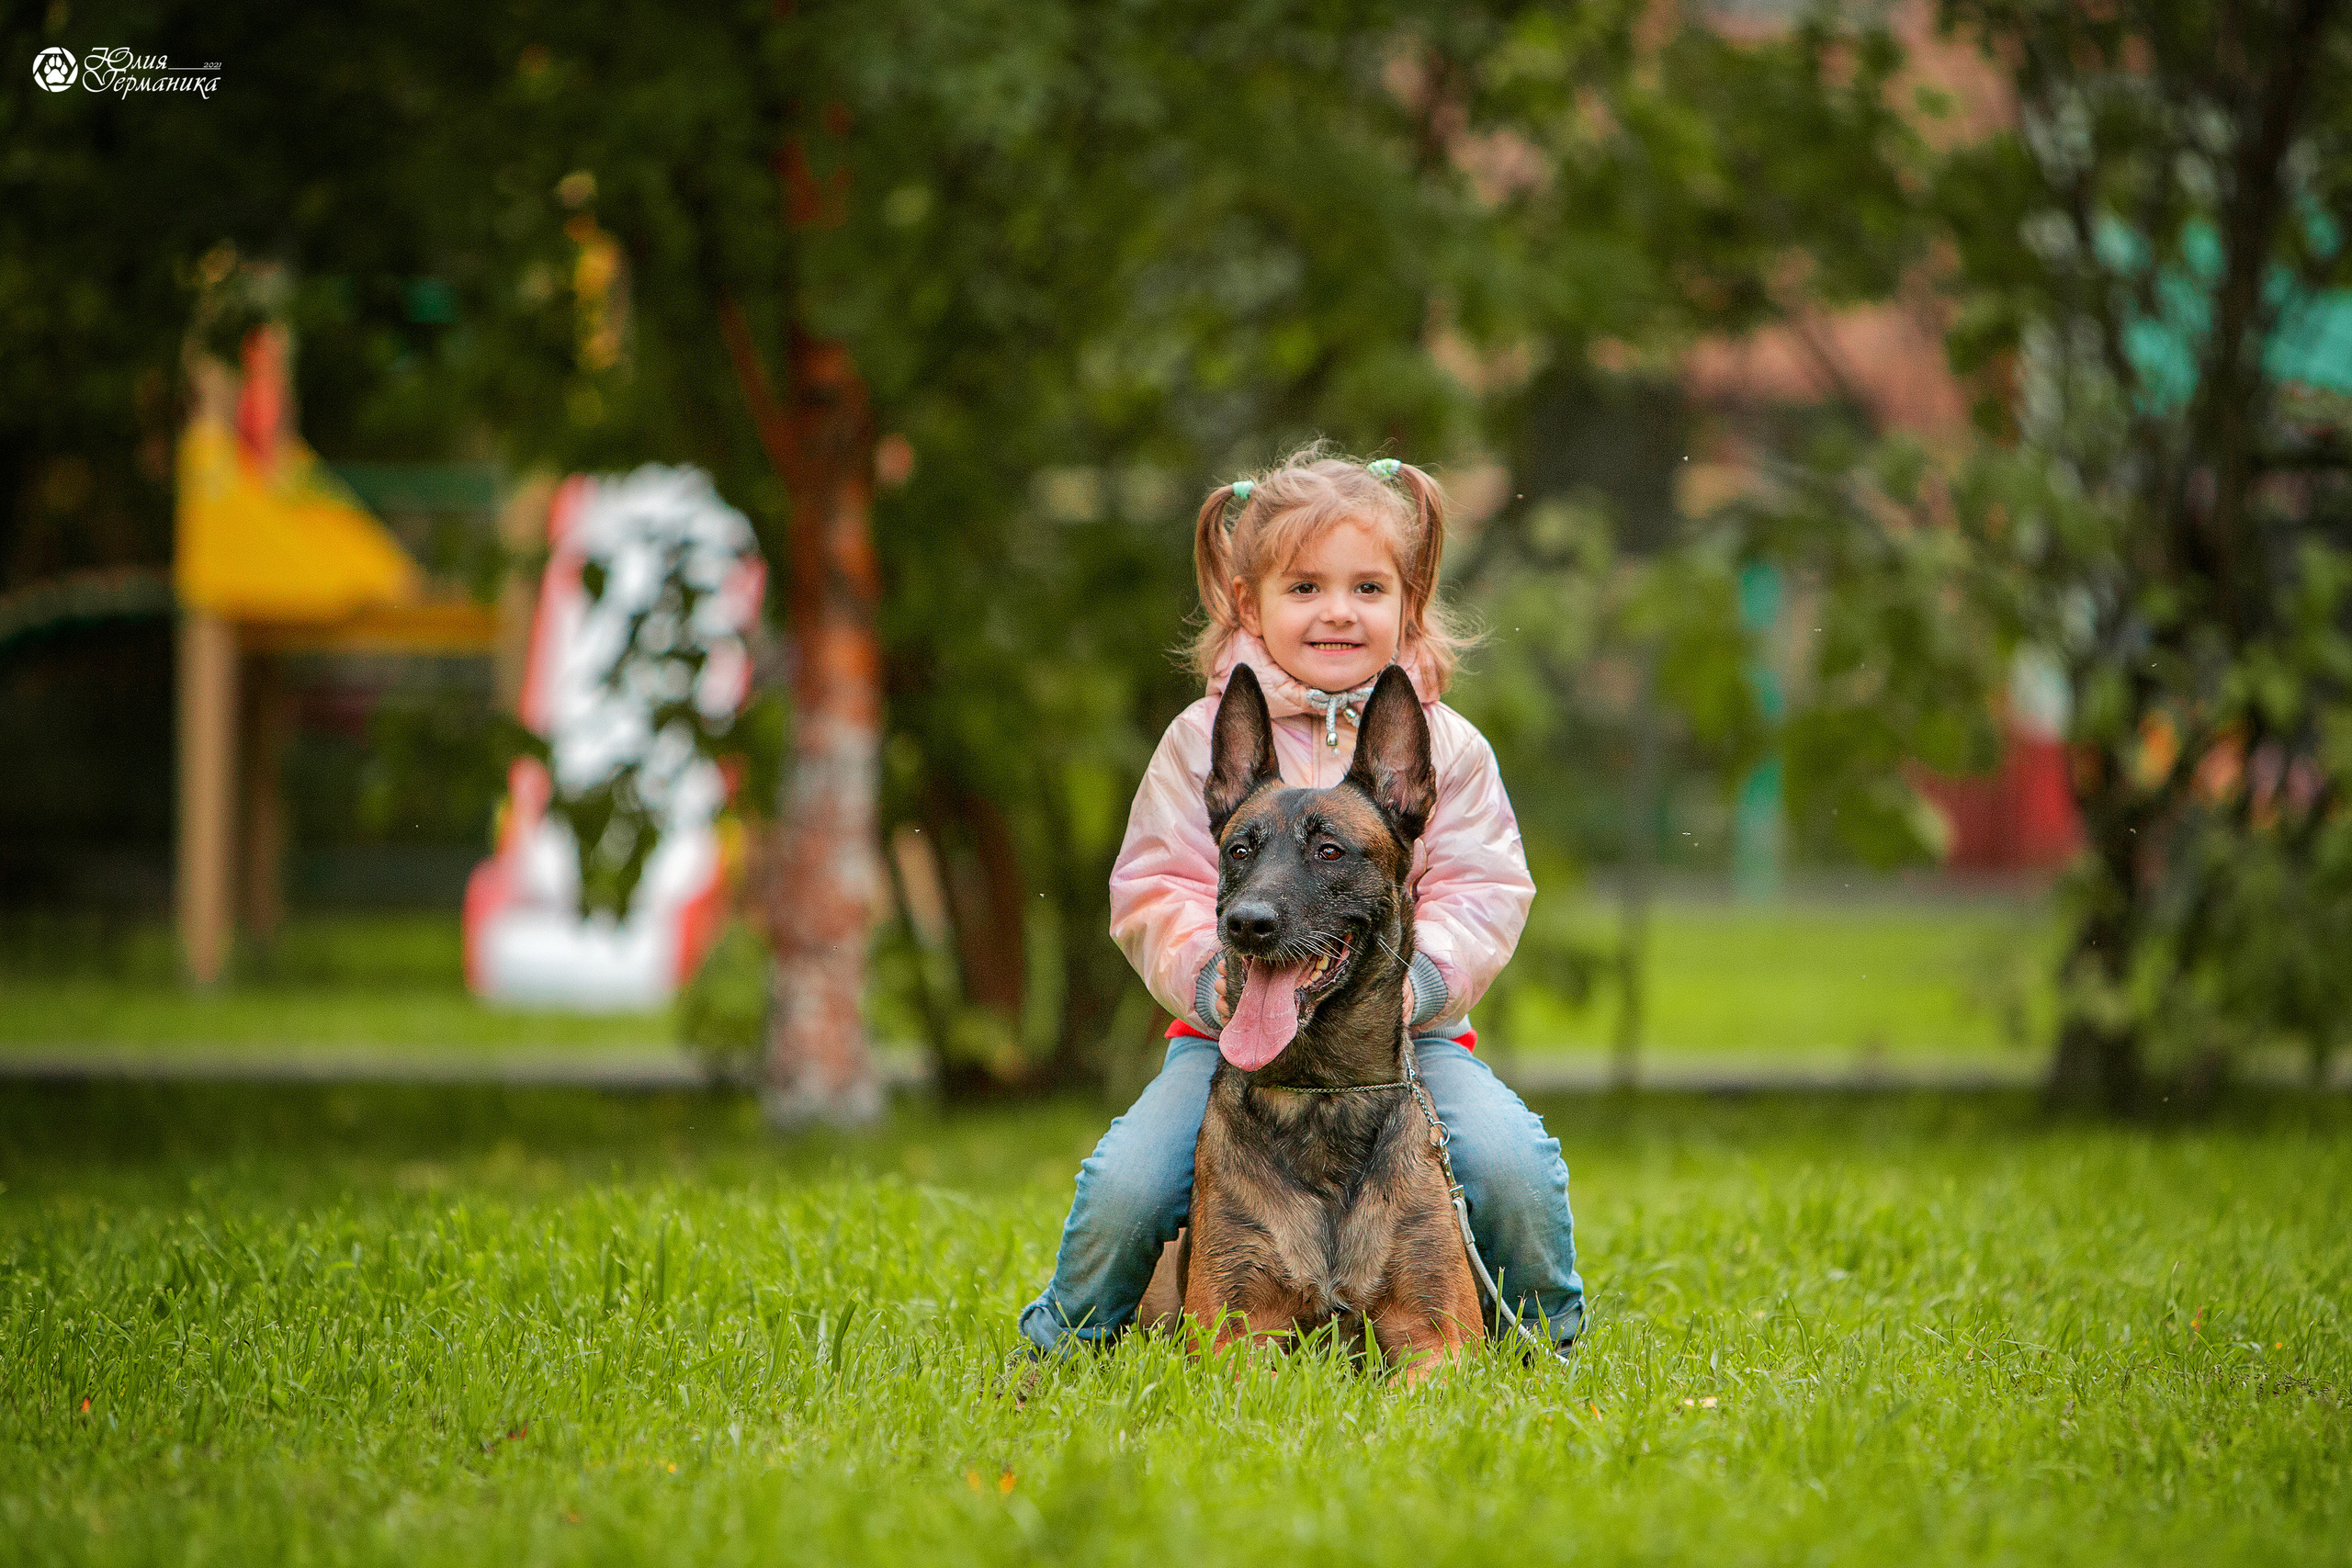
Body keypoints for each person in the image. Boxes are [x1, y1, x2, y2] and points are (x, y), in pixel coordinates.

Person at [1017, 448, 1585, 1358]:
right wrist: (1211, 980)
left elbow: (1483, 888)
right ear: (1249, 604)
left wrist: (1420, 987)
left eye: (1367, 587)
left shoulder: (1447, 744)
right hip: (1225, 1036)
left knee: (1512, 1163)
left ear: (1408, 600)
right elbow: (1155, 885)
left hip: (1406, 1041)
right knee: (1128, 1184)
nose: (1337, 611)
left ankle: (1548, 1343)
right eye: (1305, 587)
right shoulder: (1201, 737)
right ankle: (1060, 1345)